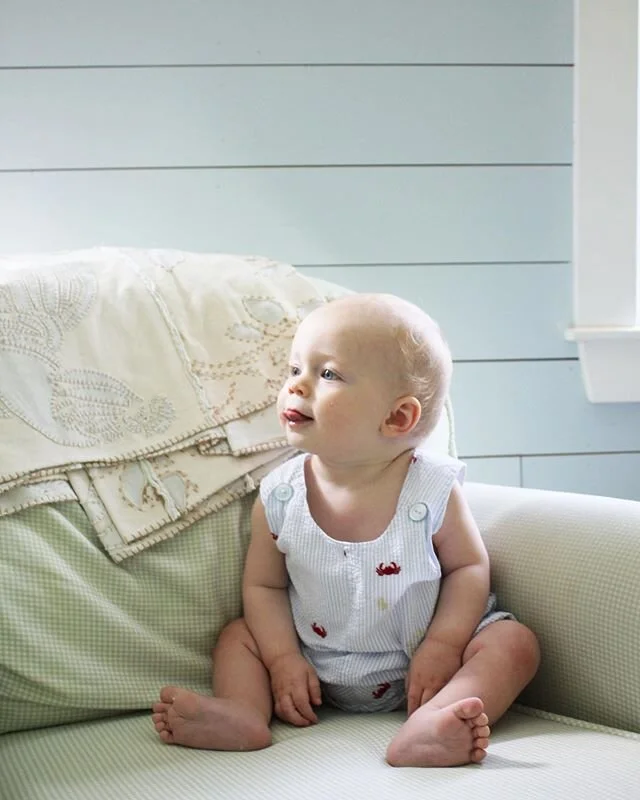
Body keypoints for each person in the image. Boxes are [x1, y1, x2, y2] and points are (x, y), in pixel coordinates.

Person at [152, 293, 540, 767]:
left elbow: (468, 567)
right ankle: (243, 713)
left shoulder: (431, 489)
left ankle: (433, 723)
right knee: (237, 636)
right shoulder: (280, 495)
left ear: (397, 417)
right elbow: (263, 585)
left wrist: (445, 645)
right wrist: (280, 659)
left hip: (427, 662)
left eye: (327, 374)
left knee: (514, 644)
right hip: (314, 664)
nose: (296, 387)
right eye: (295, 369)